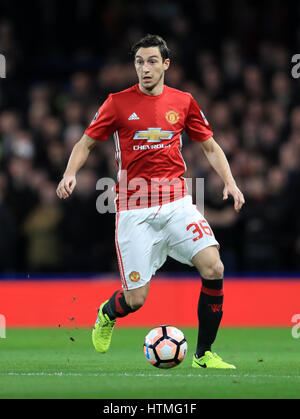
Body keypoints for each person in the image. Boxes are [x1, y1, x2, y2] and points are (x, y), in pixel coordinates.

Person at [56, 34, 245, 369]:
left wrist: (230, 183)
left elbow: (211, 147)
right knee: (135, 300)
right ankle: (107, 312)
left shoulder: (183, 102)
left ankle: (204, 354)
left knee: (214, 267)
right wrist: (70, 173)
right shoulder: (116, 103)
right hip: (134, 210)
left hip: (176, 203)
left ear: (166, 64)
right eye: (140, 62)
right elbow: (85, 143)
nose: (145, 68)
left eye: (152, 61)